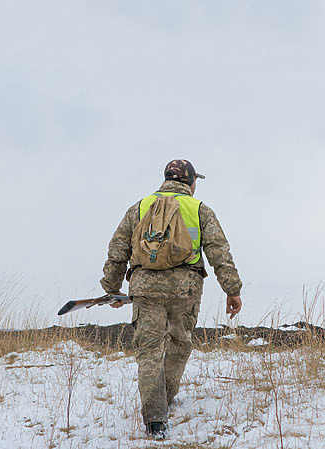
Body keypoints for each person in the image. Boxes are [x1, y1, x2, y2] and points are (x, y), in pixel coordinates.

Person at [100, 159, 242, 440]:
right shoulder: (199, 209)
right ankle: (167, 395)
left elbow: (117, 249)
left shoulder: (139, 207)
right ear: (190, 182)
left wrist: (112, 288)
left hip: (145, 287)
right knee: (179, 342)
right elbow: (219, 253)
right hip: (185, 288)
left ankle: (155, 419)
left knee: (149, 351)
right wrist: (232, 289)